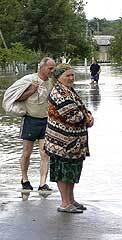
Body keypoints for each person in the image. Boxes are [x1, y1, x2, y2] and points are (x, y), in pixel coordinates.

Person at [44, 64, 94, 213]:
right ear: (59, 78)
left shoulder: (68, 90)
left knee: (72, 170)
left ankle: (71, 200)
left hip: (73, 142)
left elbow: (82, 108)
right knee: (63, 171)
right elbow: (74, 115)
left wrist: (88, 115)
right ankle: (65, 203)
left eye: (72, 75)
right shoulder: (59, 93)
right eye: (68, 75)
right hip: (61, 142)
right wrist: (88, 118)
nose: (71, 78)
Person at [3, 57, 56, 192]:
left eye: (53, 68)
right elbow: (15, 97)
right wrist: (31, 91)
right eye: (50, 68)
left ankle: (42, 183)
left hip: (46, 121)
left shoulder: (52, 82)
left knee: (45, 153)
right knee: (27, 153)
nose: (52, 71)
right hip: (30, 120)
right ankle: (24, 179)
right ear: (42, 67)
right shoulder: (29, 80)